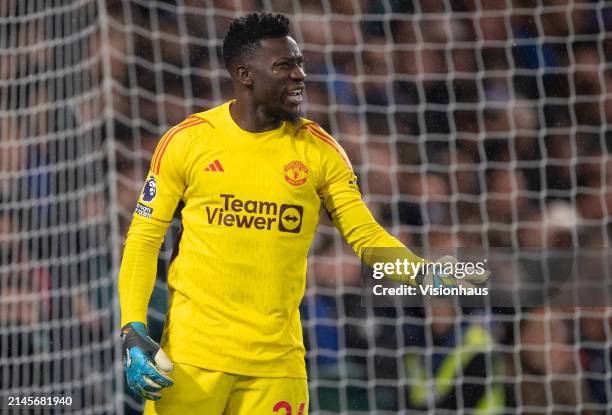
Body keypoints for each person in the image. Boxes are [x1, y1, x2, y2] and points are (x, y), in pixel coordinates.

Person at [118, 12, 486, 414]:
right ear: (245, 74)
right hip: (193, 359)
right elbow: (142, 240)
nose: (299, 76)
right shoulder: (188, 142)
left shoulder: (321, 151)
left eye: (299, 64)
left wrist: (423, 273)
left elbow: (366, 236)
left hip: (277, 365)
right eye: (284, 65)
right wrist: (134, 331)